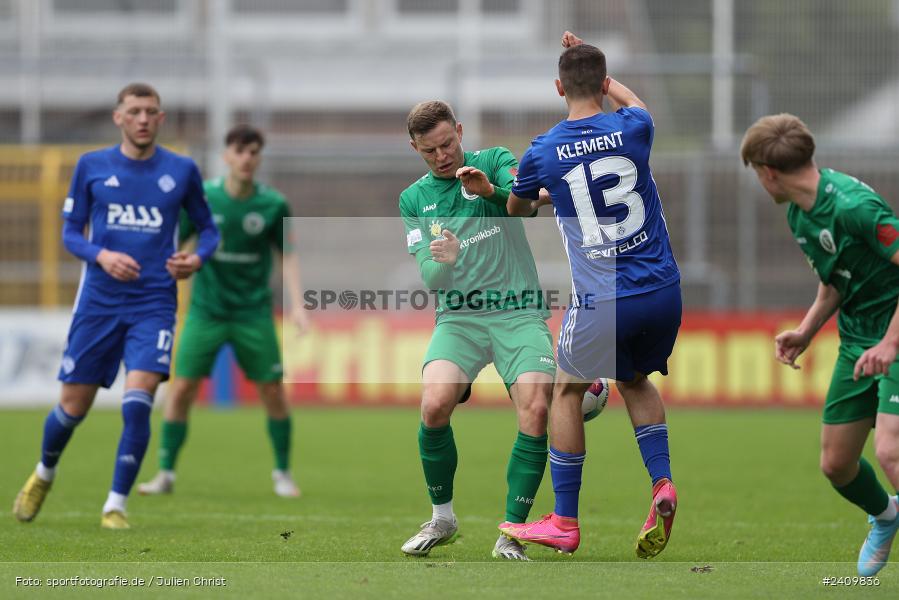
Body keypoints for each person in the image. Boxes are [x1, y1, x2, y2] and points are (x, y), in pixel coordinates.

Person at [494, 32, 681, 557]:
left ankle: (564, 521)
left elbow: (517, 209)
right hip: (664, 289)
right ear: (603, 84)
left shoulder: (543, 150)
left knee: (566, 391)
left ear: (558, 86)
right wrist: (609, 79)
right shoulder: (633, 127)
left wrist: (545, 197)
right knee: (634, 378)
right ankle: (662, 483)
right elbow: (638, 105)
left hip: (605, 297)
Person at [12, 83, 219, 529]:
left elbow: (208, 229)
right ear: (118, 118)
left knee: (138, 402)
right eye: (135, 111)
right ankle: (44, 472)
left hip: (154, 302)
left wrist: (195, 259)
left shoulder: (181, 170)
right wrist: (101, 255)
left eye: (151, 111)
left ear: (161, 119)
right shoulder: (92, 166)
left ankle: (115, 504)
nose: (143, 118)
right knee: (72, 408)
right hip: (99, 304)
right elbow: (70, 233)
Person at [740, 113, 899, 576]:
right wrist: (806, 331)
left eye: (755, 173)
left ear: (768, 172)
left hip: (893, 335)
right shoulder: (799, 213)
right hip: (857, 342)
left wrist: (890, 343)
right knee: (836, 463)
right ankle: (887, 515)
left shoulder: (854, 207)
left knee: (889, 450)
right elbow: (835, 284)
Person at [398, 100, 556, 561]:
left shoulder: (493, 161)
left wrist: (488, 191)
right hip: (460, 318)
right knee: (434, 404)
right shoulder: (413, 200)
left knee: (536, 407)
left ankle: (512, 531)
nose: (442, 155)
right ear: (416, 148)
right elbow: (429, 277)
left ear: (460, 131)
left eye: (447, 143)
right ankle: (442, 517)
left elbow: (523, 208)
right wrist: (442, 263)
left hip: (518, 310)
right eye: (430, 151)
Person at [138, 124, 307, 498]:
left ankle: (282, 472)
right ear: (227, 156)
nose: (247, 158)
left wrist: (297, 304)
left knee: (272, 391)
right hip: (207, 311)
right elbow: (173, 243)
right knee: (181, 388)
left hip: (252, 313)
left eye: (253, 152)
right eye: (240, 151)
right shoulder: (203, 197)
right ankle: (165, 472)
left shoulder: (273, 204)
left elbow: (288, 256)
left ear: (259, 158)